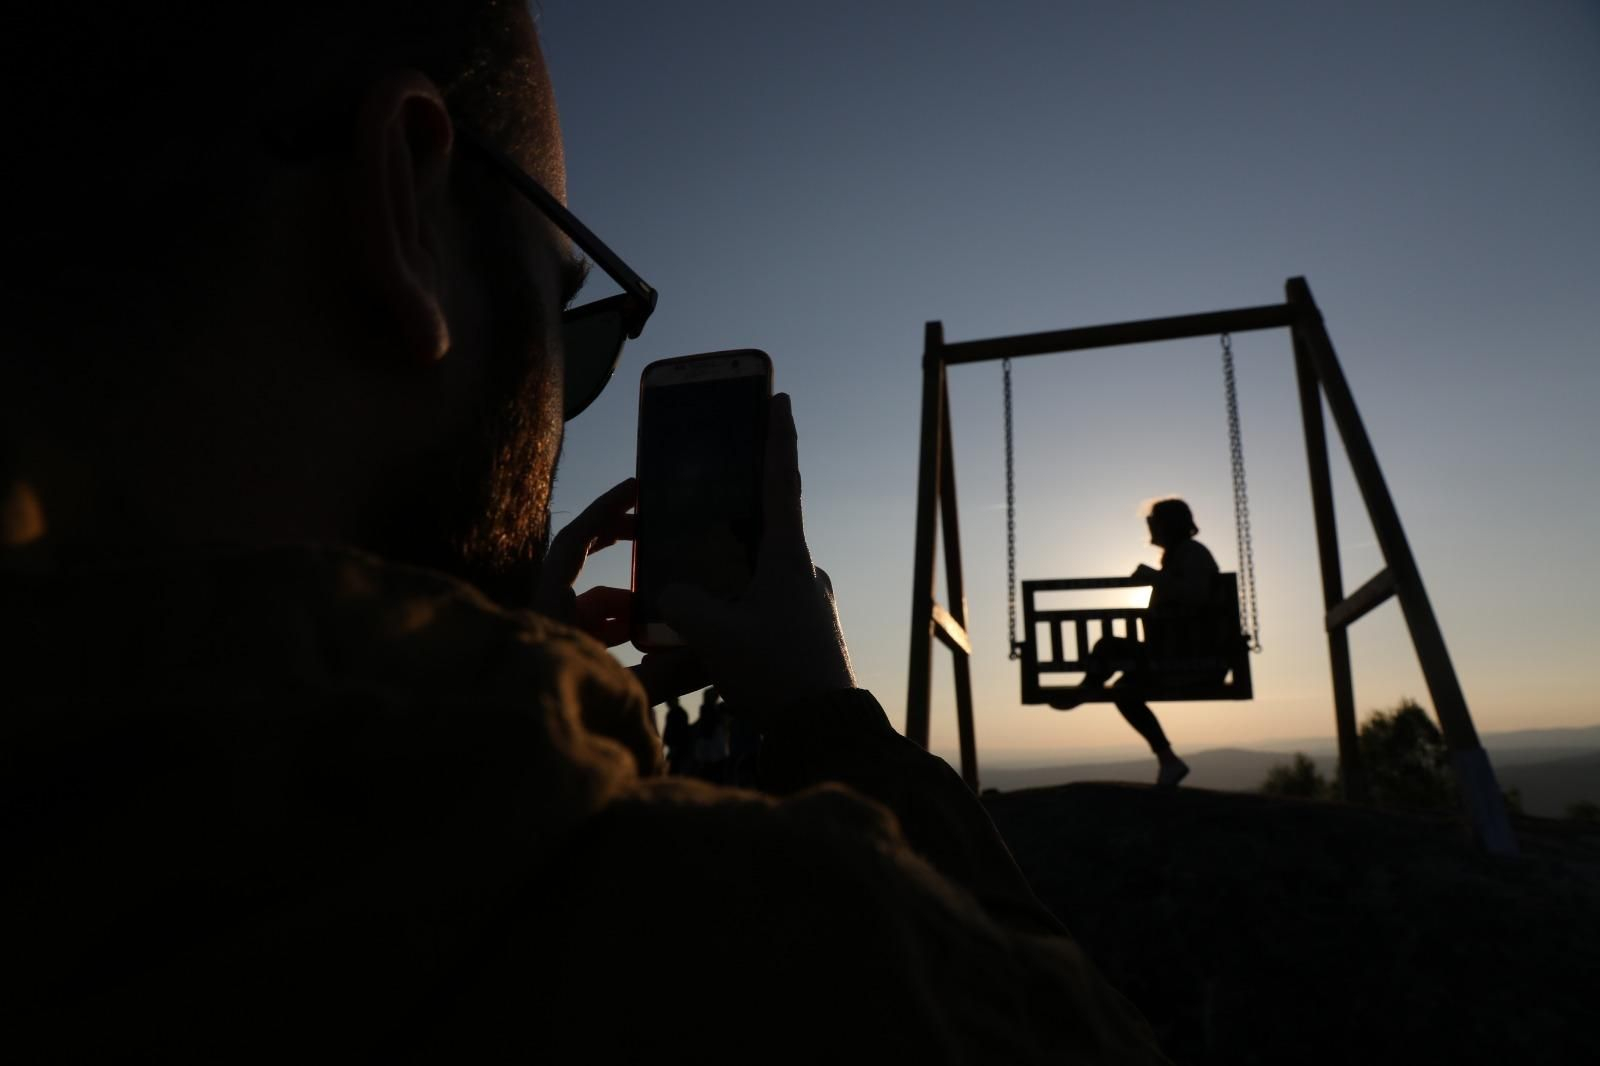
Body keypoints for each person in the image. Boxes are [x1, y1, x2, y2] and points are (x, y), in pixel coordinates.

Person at [1, 5, 1168, 1061]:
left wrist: (482, 665)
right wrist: (818, 709)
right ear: (406, 201)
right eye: (571, 312)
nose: (568, 404)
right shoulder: (738, 948)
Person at [1053, 499, 1225, 788]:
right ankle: (1168, 760)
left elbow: (1197, 595)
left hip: (1191, 660)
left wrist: (1153, 578)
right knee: (1122, 689)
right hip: (1176, 656)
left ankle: (1086, 689)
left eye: (1154, 519)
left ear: (1169, 524)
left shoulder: (1192, 554)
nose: (1149, 525)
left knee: (1109, 650)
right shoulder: (1180, 555)